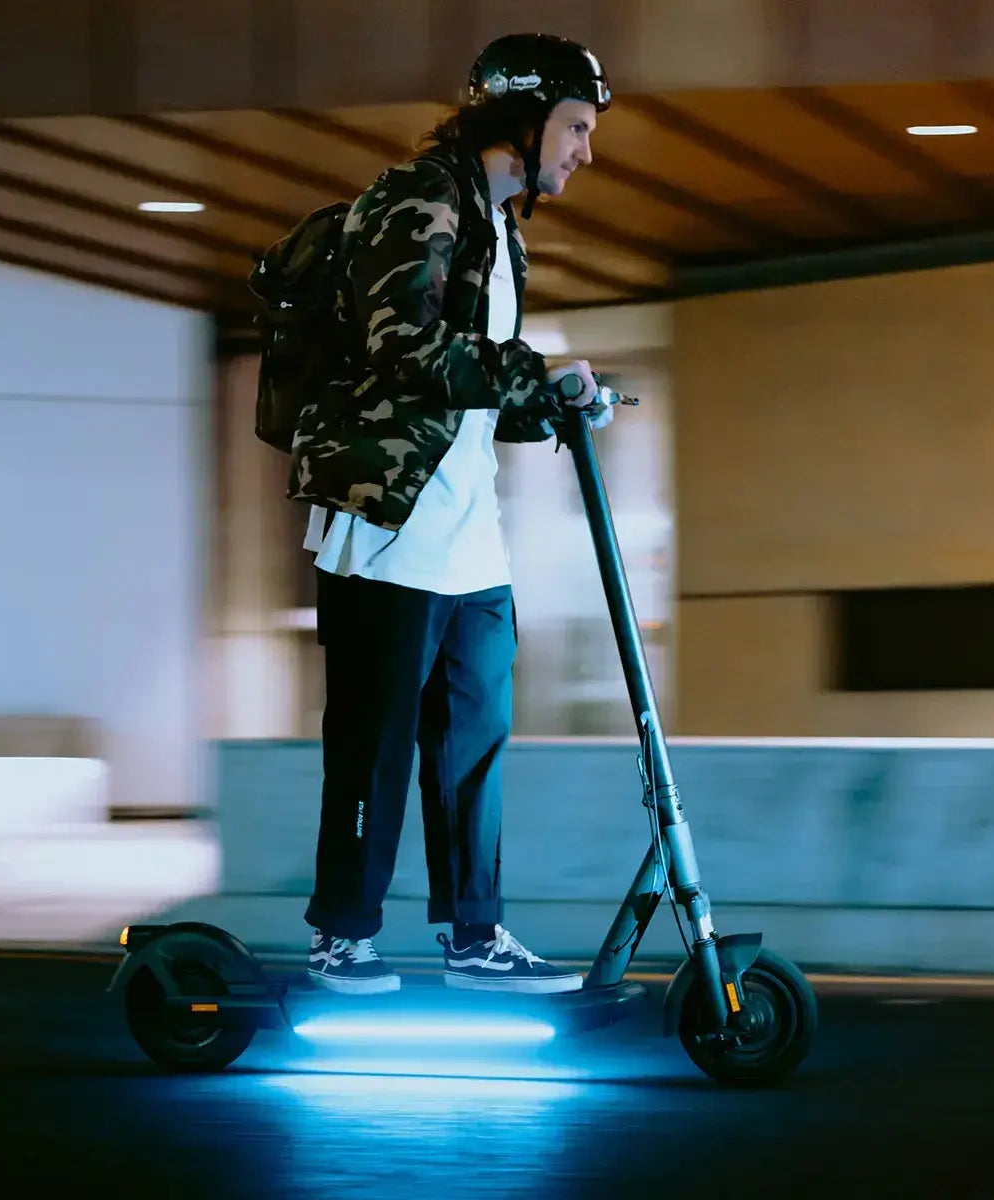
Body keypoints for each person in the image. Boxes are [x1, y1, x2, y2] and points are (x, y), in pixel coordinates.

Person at [288, 32, 616, 995]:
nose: (585, 151)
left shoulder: (500, 227)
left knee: (473, 746)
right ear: (524, 116)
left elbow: (473, 391)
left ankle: (477, 937)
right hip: (389, 530)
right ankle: (343, 937)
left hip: (470, 534)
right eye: (576, 127)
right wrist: (532, 371)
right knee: (373, 747)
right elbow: (405, 349)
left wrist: (553, 402)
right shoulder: (417, 198)